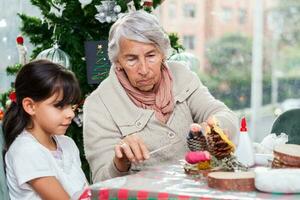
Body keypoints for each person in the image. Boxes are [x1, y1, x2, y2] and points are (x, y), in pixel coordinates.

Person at [83, 10, 238, 182]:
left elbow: (225, 115)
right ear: (117, 61)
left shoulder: (181, 75)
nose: (143, 70)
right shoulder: (99, 104)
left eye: (151, 56)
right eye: (131, 59)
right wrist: (120, 162)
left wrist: (214, 128)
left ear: (163, 53)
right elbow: (101, 181)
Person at [3, 60, 88, 200]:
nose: (71, 114)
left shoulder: (67, 144)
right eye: (60, 106)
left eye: (71, 106)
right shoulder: (26, 151)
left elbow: (87, 193)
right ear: (30, 106)